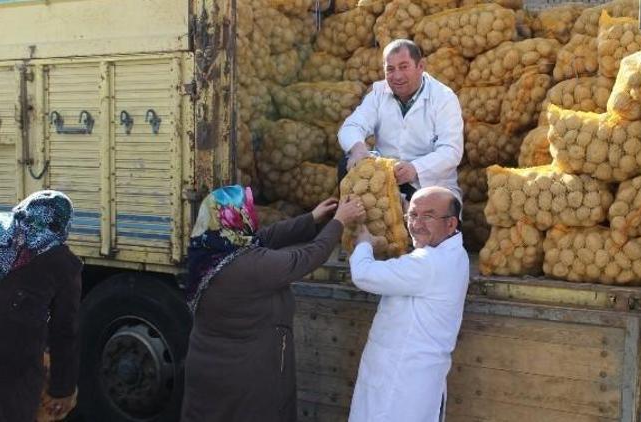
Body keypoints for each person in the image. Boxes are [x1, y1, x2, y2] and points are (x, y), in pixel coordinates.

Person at [180, 185, 365, 422]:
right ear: (237, 217)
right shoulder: (248, 265)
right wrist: (339, 222)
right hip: (242, 377)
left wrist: (312, 218)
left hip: (210, 370)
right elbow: (306, 258)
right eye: (247, 208)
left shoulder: (209, 250)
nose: (253, 212)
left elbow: (266, 237)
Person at [348, 186, 470, 422]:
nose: (417, 223)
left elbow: (363, 274)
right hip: (409, 377)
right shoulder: (454, 253)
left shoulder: (430, 263)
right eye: (413, 215)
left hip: (402, 381)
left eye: (428, 216)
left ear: (451, 224)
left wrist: (363, 242)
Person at [338, 39, 464, 201]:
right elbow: (352, 125)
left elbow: (451, 151)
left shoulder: (443, 98)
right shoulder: (379, 93)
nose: (397, 76)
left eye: (404, 67)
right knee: (347, 163)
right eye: (390, 69)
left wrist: (415, 168)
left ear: (420, 66)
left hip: (428, 185)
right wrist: (358, 149)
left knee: (424, 215)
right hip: (385, 179)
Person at [0, 190, 82, 422]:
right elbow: (65, 332)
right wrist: (62, 389)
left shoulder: (2, 230)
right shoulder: (62, 263)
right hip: (13, 367)